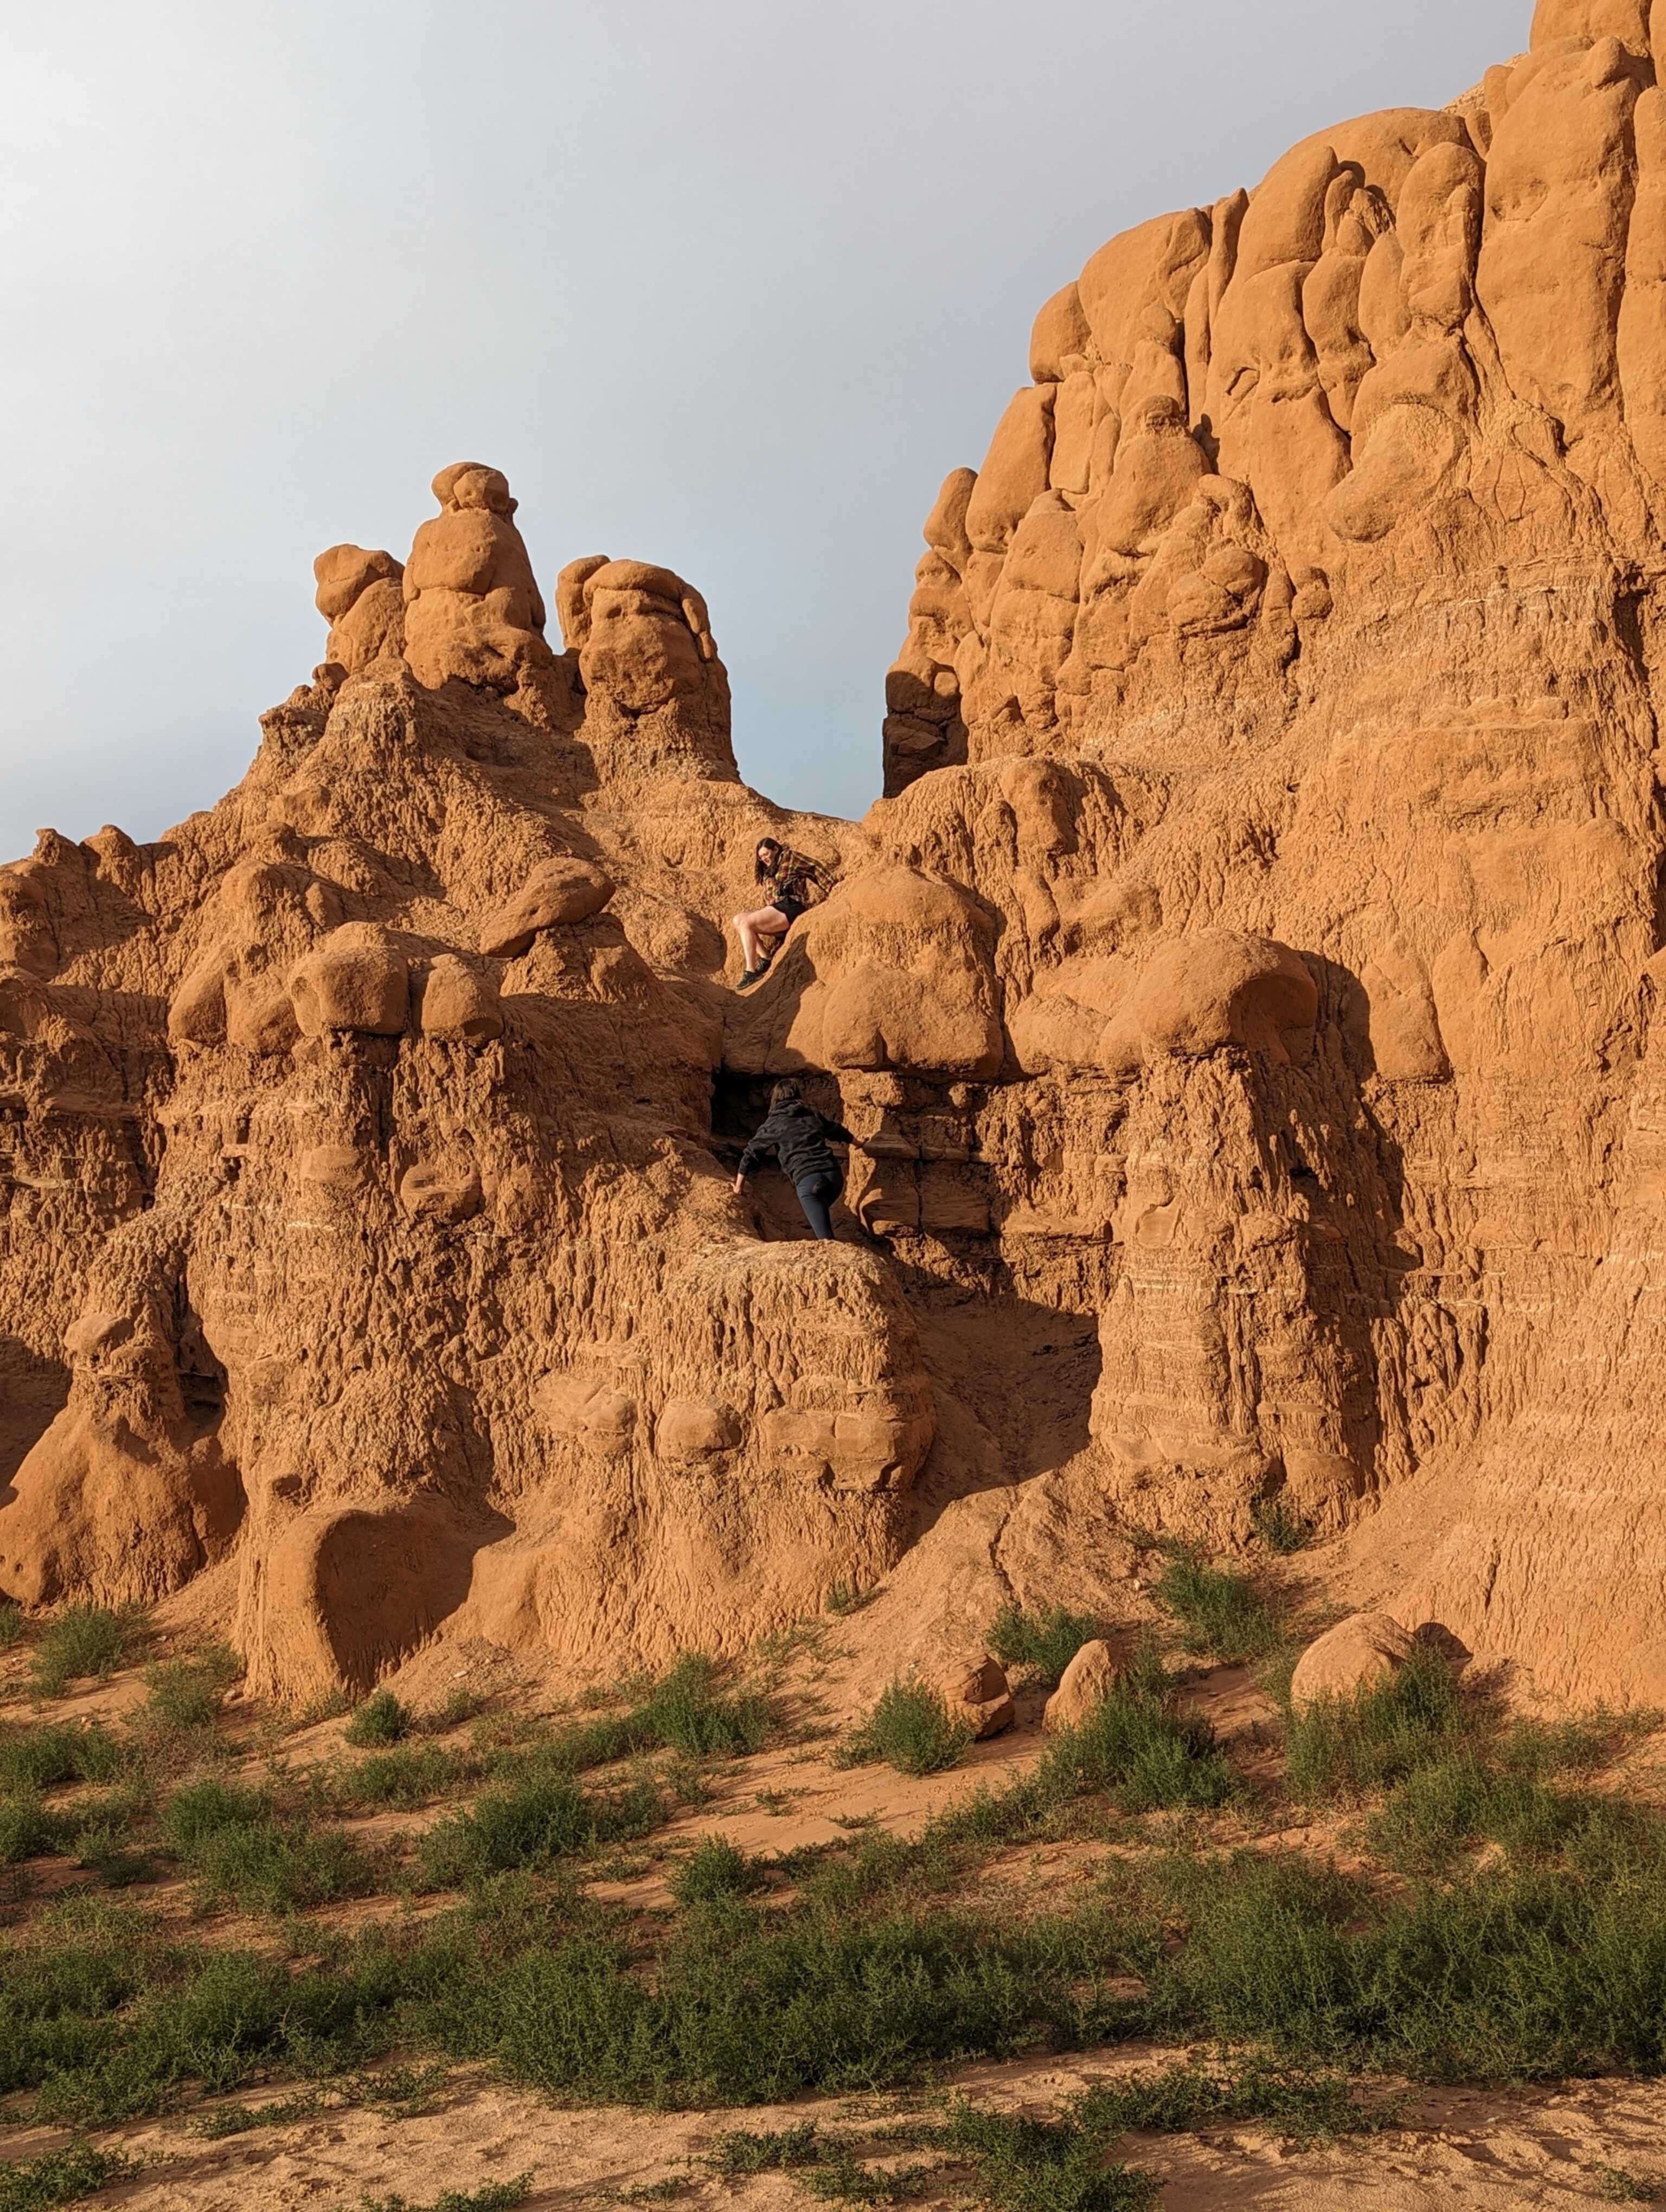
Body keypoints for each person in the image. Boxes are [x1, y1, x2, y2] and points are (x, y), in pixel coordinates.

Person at [732, 1079, 865, 1240]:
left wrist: (739, 1187)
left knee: (827, 1240)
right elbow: (836, 1130)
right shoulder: (811, 1113)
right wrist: (859, 1143)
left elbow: (751, 1153)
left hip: (809, 1181)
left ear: (775, 1099)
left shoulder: (774, 1123)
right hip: (834, 1177)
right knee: (820, 1214)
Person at [731, 837, 835, 989]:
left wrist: (832, 887)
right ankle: (766, 958)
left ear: (775, 849)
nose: (764, 859)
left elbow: (814, 867)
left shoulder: (790, 857)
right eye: (761, 857)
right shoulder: (770, 869)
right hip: (777, 909)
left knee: (747, 923)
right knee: (738, 920)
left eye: (766, 854)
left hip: (791, 906)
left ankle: (750, 971)